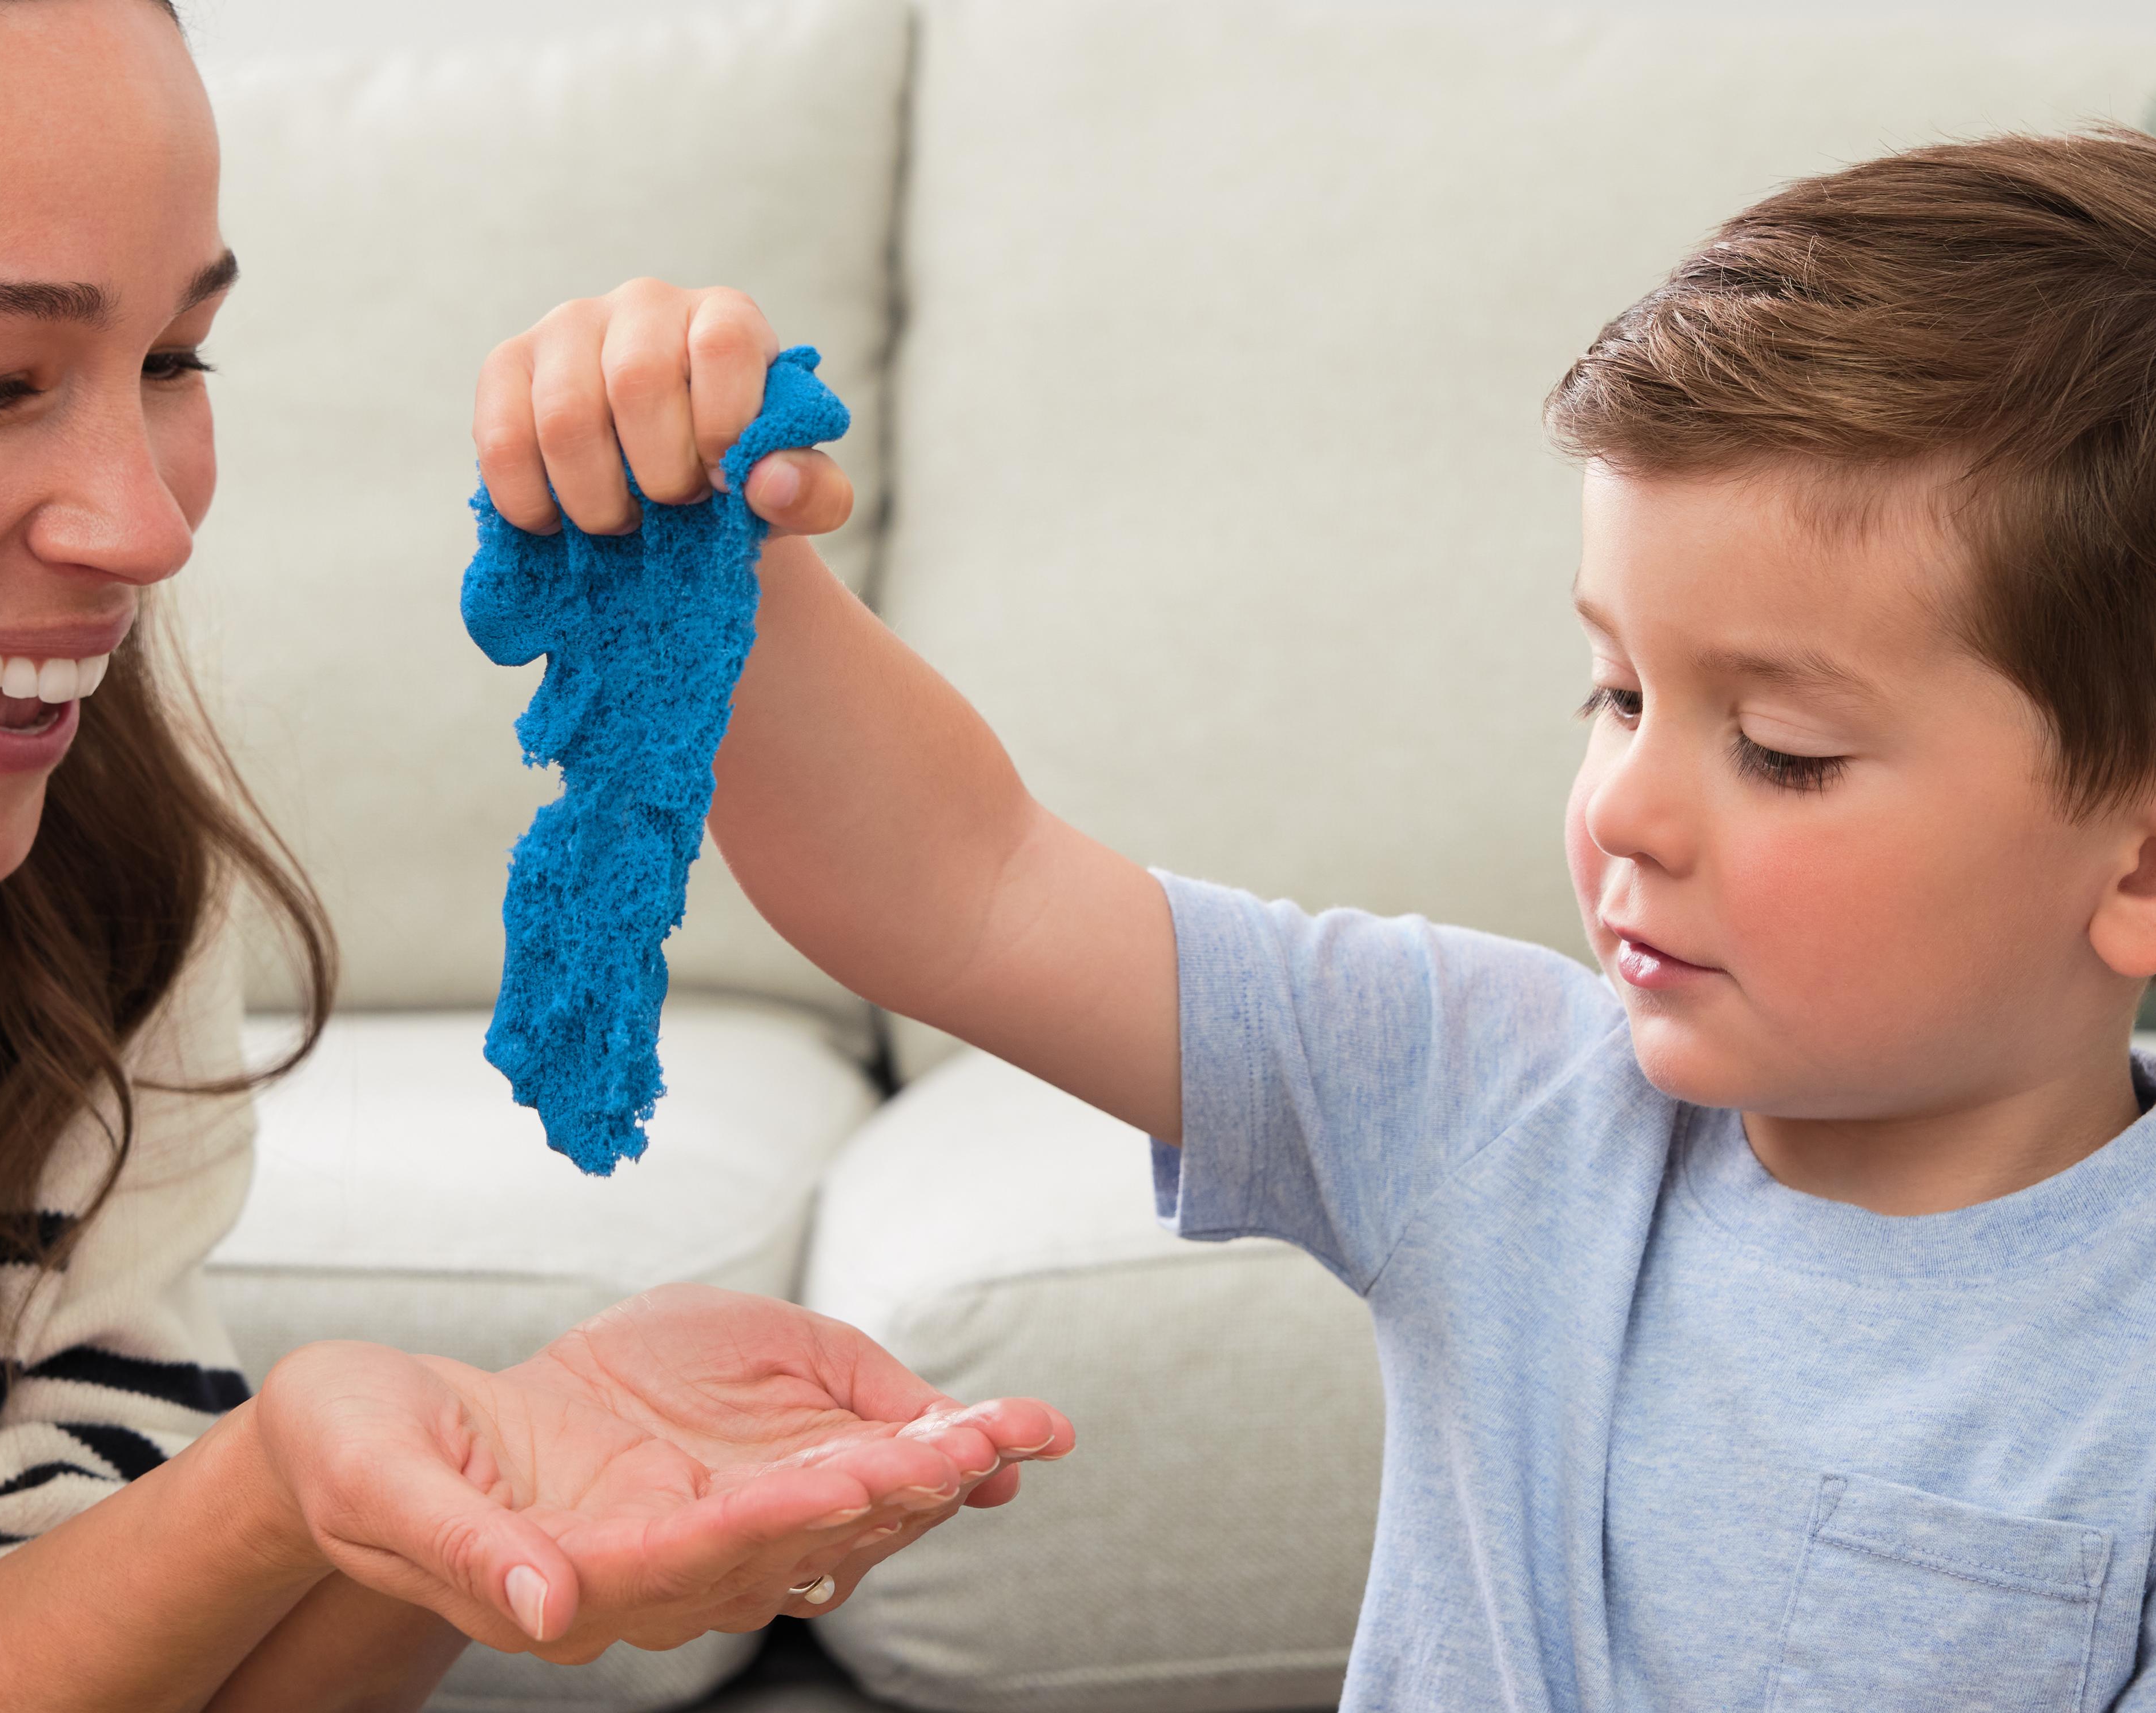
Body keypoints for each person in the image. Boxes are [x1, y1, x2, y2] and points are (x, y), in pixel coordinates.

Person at [478, 128, 2156, 1706]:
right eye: (1617, 693)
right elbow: (964, 889)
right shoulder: (1492, 1094)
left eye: (1781, 752)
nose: (1624, 808)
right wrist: (710, 539)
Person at [0, 1, 1076, 1709]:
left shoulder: (95, 880)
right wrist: (266, 1503)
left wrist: (359, 1506)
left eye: (174, 361)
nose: (148, 527)